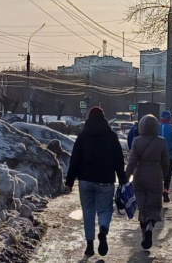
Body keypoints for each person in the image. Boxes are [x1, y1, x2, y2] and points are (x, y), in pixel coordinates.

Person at [65, 106, 126, 258]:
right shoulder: (111, 136)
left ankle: (89, 246)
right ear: (104, 118)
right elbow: (119, 159)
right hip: (105, 180)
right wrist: (123, 180)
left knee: (88, 211)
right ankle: (103, 232)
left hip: (85, 180)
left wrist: (69, 182)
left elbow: (75, 161)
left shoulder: (82, 137)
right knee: (105, 209)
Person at [126, 114, 170, 250]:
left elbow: (132, 161)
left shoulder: (137, 141)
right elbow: (166, 162)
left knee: (142, 207)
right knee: (154, 206)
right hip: (155, 177)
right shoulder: (161, 141)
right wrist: (165, 174)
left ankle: (144, 233)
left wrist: (126, 177)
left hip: (139, 177)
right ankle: (150, 228)